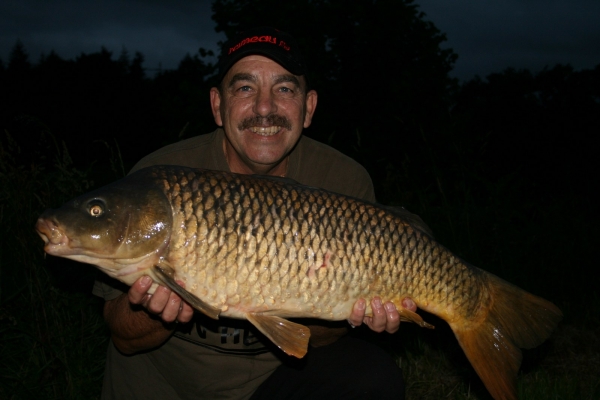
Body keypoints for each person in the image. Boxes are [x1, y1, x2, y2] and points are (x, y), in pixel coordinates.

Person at [93, 26, 418, 399]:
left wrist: (349, 308)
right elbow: (124, 338)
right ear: (217, 105)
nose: (265, 108)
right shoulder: (160, 180)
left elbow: (321, 338)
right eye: (245, 88)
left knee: (372, 377)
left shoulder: (342, 181)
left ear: (308, 107)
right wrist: (154, 310)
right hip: (167, 388)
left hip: (269, 383)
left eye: (284, 89)